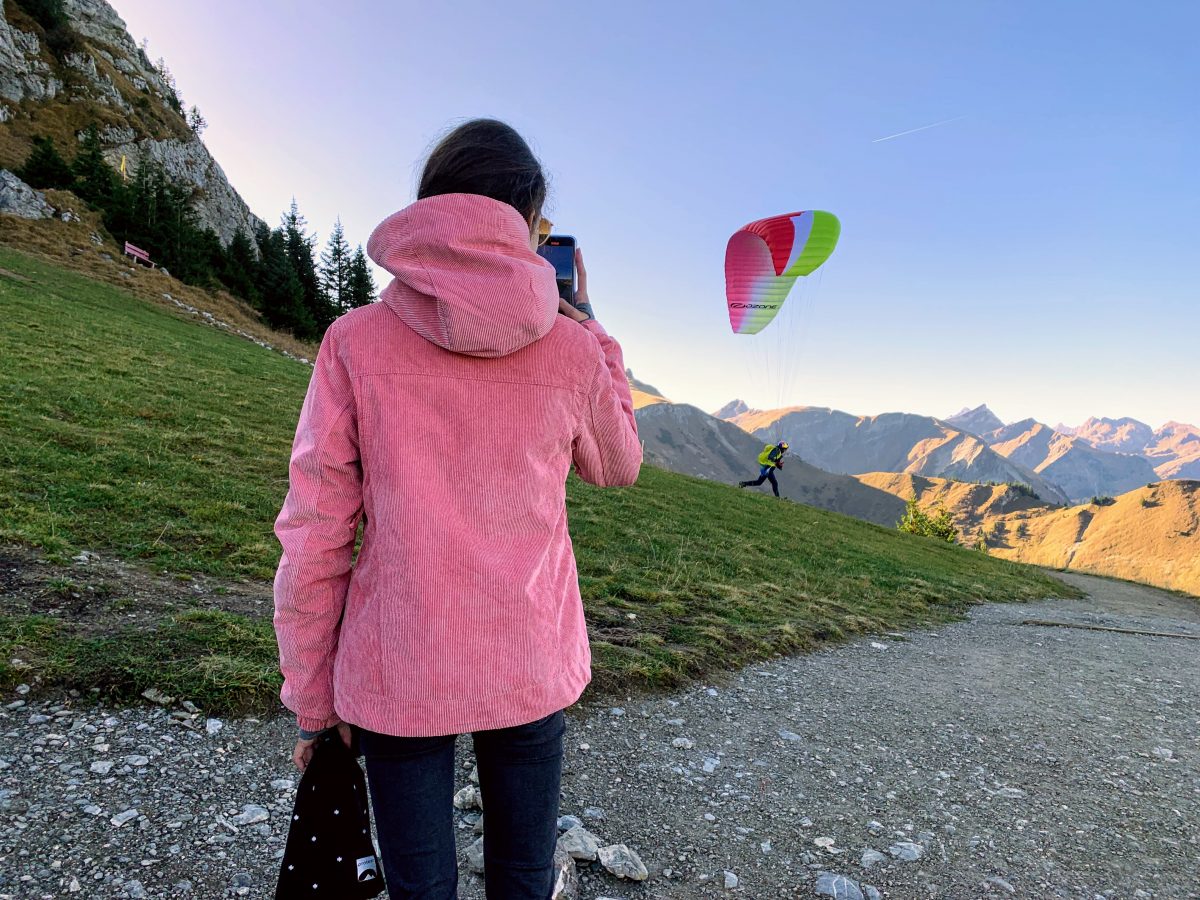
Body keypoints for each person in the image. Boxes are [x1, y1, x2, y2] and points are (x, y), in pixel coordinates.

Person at [272, 118, 642, 900]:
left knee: (421, 890)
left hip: (400, 667)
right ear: (526, 225)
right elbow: (618, 465)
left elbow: (316, 534)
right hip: (530, 660)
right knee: (521, 877)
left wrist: (313, 700)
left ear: (429, 212)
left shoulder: (354, 342)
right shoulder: (571, 349)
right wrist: (591, 325)